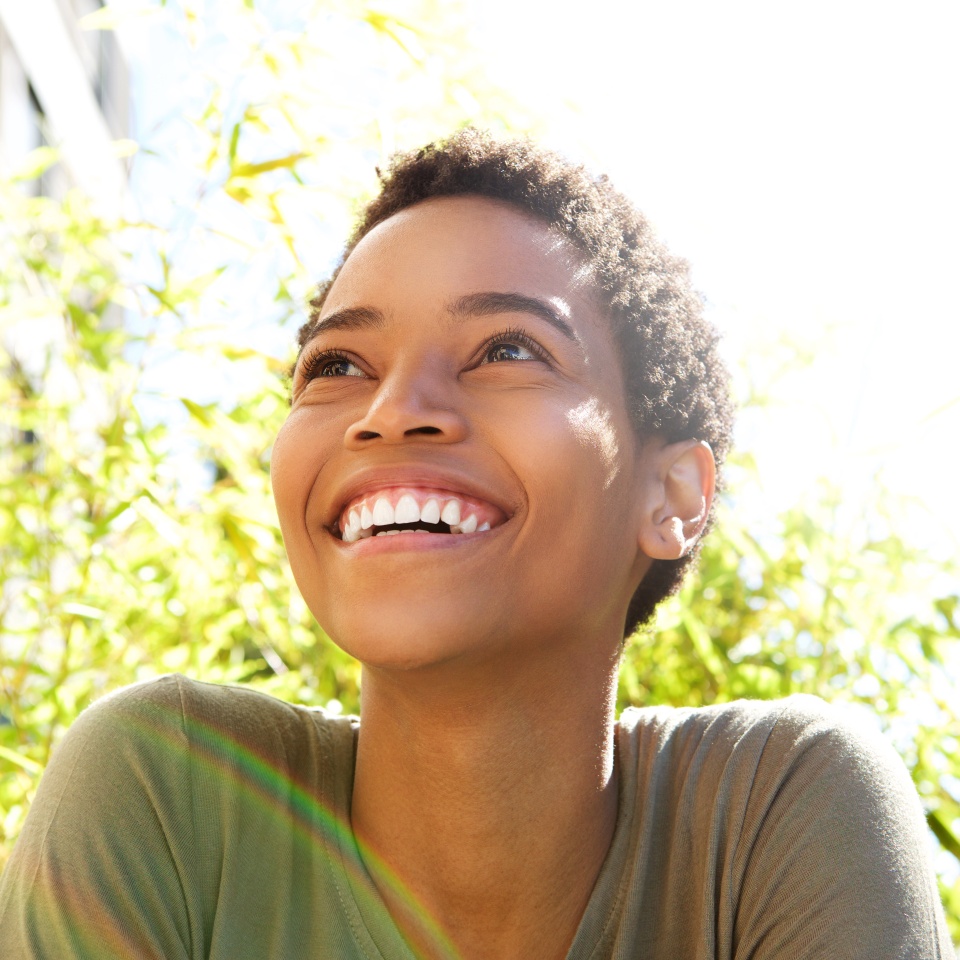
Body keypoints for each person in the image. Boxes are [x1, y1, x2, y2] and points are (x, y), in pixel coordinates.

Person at [0, 129, 951, 959]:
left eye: (506, 349)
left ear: (672, 495)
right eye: (338, 364)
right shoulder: (167, 793)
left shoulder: (776, 815)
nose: (391, 412)